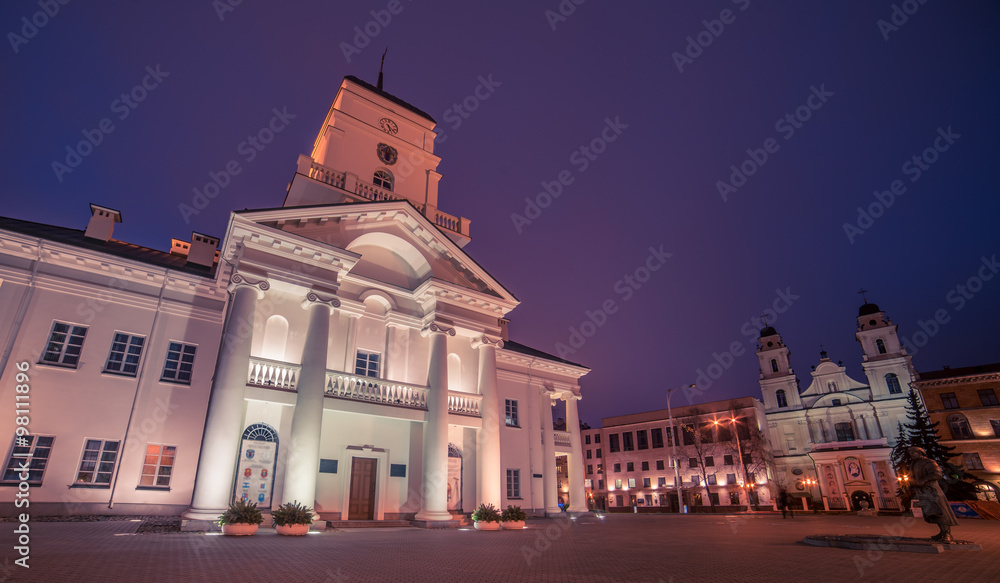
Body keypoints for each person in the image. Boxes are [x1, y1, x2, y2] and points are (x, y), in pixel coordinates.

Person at [908, 446, 959, 542]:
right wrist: (911, 484)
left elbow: (937, 474)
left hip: (933, 490)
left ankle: (947, 534)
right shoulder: (914, 464)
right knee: (932, 512)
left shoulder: (929, 462)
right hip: (923, 491)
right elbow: (911, 476)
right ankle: (942, 532)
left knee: (940, 510)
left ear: (920, 453)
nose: (911, 454)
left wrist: (923, 480)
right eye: (910, 453)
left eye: (913, 452)